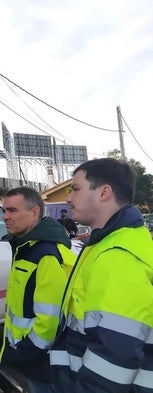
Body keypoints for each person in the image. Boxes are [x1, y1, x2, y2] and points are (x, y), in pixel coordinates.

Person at [49, 158, 153, 393]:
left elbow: (116, 354)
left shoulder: (119, 254)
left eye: (75, 189)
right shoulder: (105, 243)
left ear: (104, 192)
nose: (68, 197)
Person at [0, 187, 76, 393]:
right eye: (4, 211)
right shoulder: (26, 247)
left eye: (12, 210)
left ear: (34, 212)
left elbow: (49, 320)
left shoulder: (45, 254)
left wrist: (26, 352)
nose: (5, 217)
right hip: (36, 360)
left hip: (43, 362)